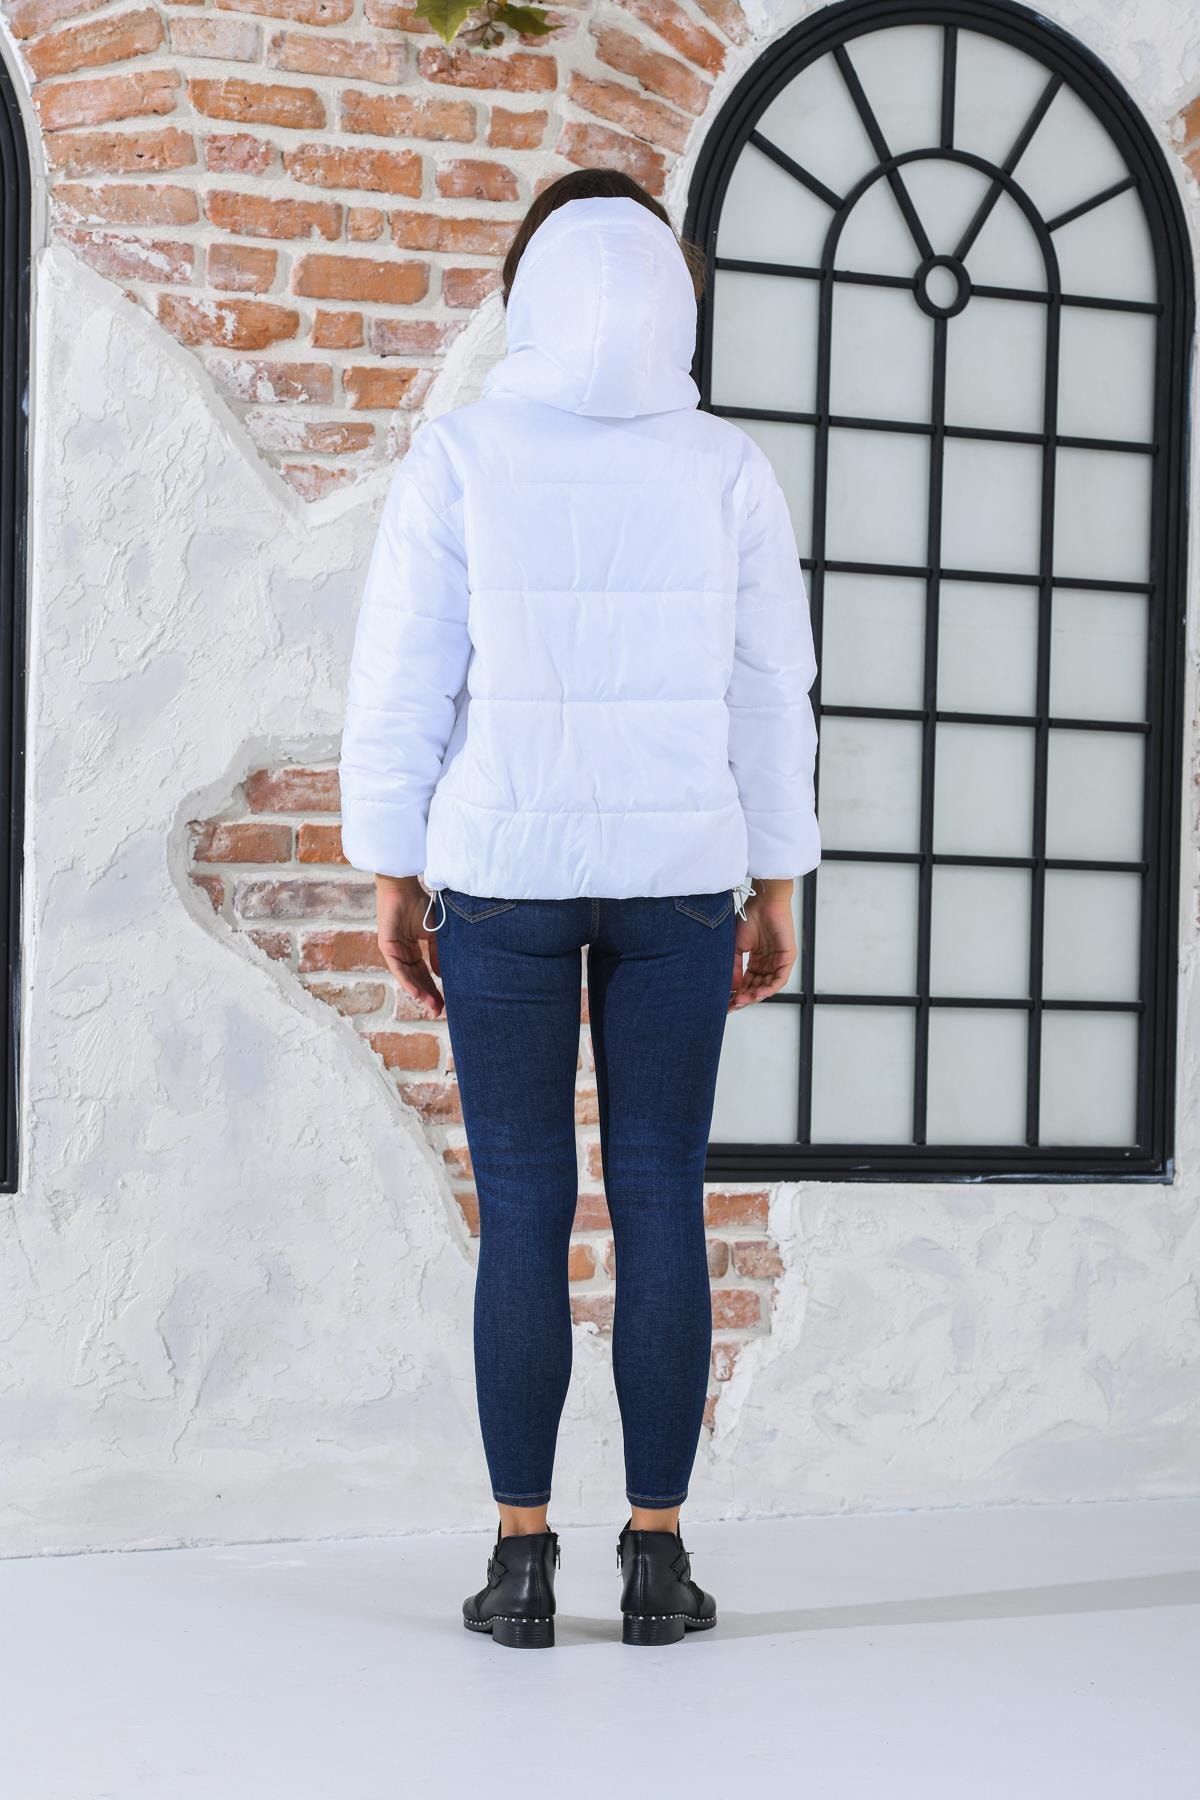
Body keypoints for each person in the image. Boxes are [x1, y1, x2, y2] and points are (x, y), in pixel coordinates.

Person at [339, 166, 820, 1650]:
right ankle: (659, 1564)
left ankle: (521, 1563)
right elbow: (771, 691)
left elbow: (402, 675)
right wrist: (778, 878)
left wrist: (393, 865)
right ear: (676, 294)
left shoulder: (462, 456)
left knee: (526, 1206)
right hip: (682, 879)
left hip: (502, 875)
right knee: (662, 1191)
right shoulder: (728, 467)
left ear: (525, 289)